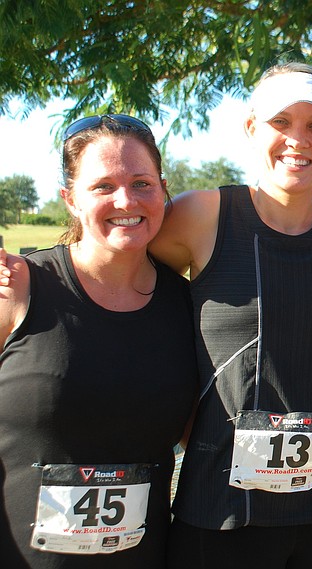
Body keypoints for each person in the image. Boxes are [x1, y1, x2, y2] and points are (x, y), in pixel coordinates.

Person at [148, 62, 312, 568]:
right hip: (219, 510)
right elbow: (122, 287)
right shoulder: (201, 216)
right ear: (252, 128)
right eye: (281, 121)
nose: (298, 139)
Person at [0, 115, 198, 568]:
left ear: (163, 190)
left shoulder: (189, 305)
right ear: (70, 199)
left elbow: (202, 432)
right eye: (103, 186)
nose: (126, 200)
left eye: (142, 183)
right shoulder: (16, 288)